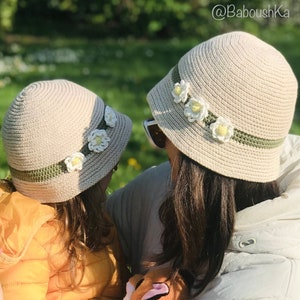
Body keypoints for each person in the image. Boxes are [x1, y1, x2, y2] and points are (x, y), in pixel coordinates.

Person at [107, 31, 300, 299]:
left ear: (198, 170)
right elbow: (89, 227)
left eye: (163, 134)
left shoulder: (268, 285)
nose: (159, 145)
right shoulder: (161, 186)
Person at [0, 79, 132, 299]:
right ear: (87, 183)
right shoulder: (28, 240)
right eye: (110, 166)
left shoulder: (95, 220)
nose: (112, 171)